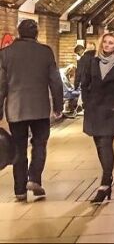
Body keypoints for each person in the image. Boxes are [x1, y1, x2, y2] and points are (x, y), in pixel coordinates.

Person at [0, 19, 63, 202]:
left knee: (18, 147)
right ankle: (34, 178)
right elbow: (55, 82)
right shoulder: (45, 52)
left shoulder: (5, 54)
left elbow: (1, 86)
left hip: (16, 109)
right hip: (40, 109)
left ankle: (20, 190)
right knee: (39, 144)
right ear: (36, 33)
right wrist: (58, 106)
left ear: (19, 33)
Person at [80, 31, 114, 203]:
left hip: (110, 111)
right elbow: (85, 83)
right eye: (105, 43)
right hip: (94, 110)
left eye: (111, 43)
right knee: (98, 144)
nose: (107, 46)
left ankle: (105, 182)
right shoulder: (92, 62)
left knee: (105, 144)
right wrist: (87, 102)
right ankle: (107, 178)